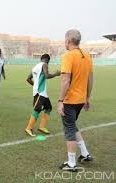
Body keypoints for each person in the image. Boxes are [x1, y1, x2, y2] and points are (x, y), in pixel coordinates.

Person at [57, 29, 93, 172]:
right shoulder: (87, 56)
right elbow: (90, 79)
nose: (64, 42)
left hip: (70, 100)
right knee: (73, 125)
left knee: (69, 129)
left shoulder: (68, 56)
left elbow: (65, 80)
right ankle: (85, 154)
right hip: (80, 100)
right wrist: (87, 97)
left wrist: (60, 100)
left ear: (68, 41)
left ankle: (71, 163)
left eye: (65, 40)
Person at [25, 54, 60, 136]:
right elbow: (47, 76)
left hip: (42, 92)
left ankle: (42, 126)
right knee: (37, 109)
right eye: (48, 61)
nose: (48, 63)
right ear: (47, 60)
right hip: (40, 92)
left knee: (48, 108)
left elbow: (28, 79)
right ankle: (28, 128)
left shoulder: (35, 67)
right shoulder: (44, 65)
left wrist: (35, 85)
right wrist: (56, 74)